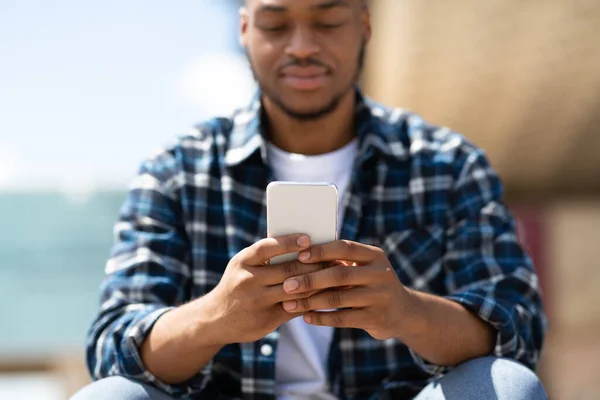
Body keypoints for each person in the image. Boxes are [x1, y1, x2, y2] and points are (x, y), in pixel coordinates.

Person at [72, 0, 548, 399]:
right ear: (244, 28)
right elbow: (111, 347)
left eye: (327, 22)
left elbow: (517, 328)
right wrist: (216, 317)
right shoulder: (175, 171)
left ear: (364, 24)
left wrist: (406, 312)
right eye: (276, 24)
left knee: (507, 385)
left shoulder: (449, 164)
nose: (301, 46)